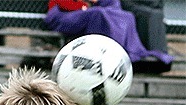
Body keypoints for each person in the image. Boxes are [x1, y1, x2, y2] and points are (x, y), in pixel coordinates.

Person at [45, 0, 173, 72]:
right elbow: (63, 4)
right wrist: (87, 5)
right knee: (98, 14)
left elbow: (113, 5)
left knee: (127, 16)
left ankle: (125, 55)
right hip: (63, 14)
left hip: (94, 11)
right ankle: (100, 58)